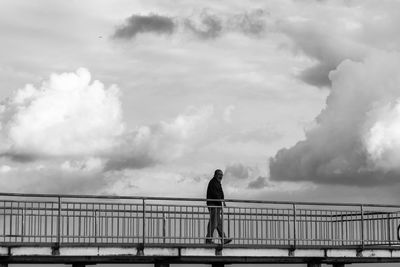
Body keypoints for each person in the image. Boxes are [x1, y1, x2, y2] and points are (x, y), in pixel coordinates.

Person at [205, 169, 232, 244]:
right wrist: (221, 201)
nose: (221, 176)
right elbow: (215, 194)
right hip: (214, 205)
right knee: (214, 222)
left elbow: (220, 194)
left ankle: (223, 238)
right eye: (219, 174)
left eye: (222, 175)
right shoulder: (213, 182)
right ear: (215, 175)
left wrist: (223, 201)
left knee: (218, 223)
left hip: (216, 205)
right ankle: (208, 240)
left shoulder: (217, 182)